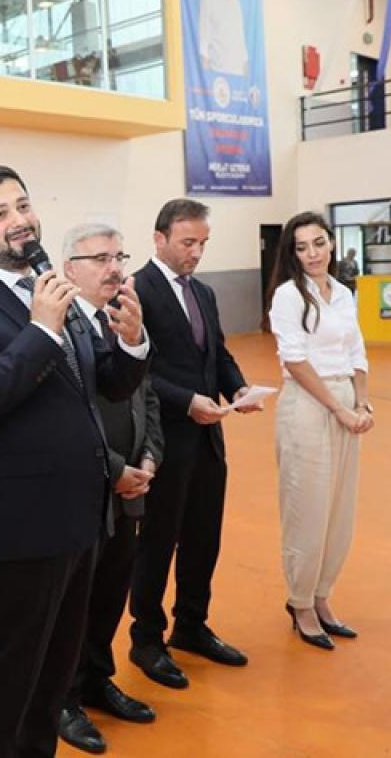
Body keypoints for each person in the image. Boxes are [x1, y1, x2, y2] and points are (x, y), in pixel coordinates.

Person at [0, 165, 149, 758]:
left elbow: (104, 384)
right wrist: (41, 332)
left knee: (52, 681)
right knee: (9, 680)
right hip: (20, 532)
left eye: (22, 205)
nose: (19, 220)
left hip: (82, 522)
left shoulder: (52, 289)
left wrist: (132, 341)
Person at [128, 198, 260, 690]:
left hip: (208, 438)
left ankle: (191, 624)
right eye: (188, 242)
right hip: (162, 441)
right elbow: (137, 371)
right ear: (159, 238)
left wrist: (238, 389)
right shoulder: (135, 291)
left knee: (204, 537)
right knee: (157, 542)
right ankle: (146, 638)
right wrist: (186, 402)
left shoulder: (202, 292)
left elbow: (217, 354)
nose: (197, 252)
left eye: (203, 243)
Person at [55, 224, 163, 755]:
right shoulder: (59, 329)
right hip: (86, 491)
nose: (115, 267)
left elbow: (147, 396)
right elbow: (68, 417)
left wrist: (150, 455)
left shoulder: (124, 319)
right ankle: (65, 698)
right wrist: (115, 468)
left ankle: (98, 679)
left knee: (111, 592)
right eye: (100, 258)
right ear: (68, 269)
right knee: (74, 602)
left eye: (119, 256)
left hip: (130, 491)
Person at [268, 211, 373, 650]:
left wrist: (361, 402)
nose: (312, 253)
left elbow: (356, 351)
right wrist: (339, 409)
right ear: (292, 254)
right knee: (307, 510)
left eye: (318, 243)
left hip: (345, 399)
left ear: (331, 243)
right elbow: (294, 360)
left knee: (338, 510)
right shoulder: (288, 296)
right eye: (301, 247)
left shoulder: (344, 293)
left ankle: (322, 595)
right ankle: (301, 603)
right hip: (308, 405)